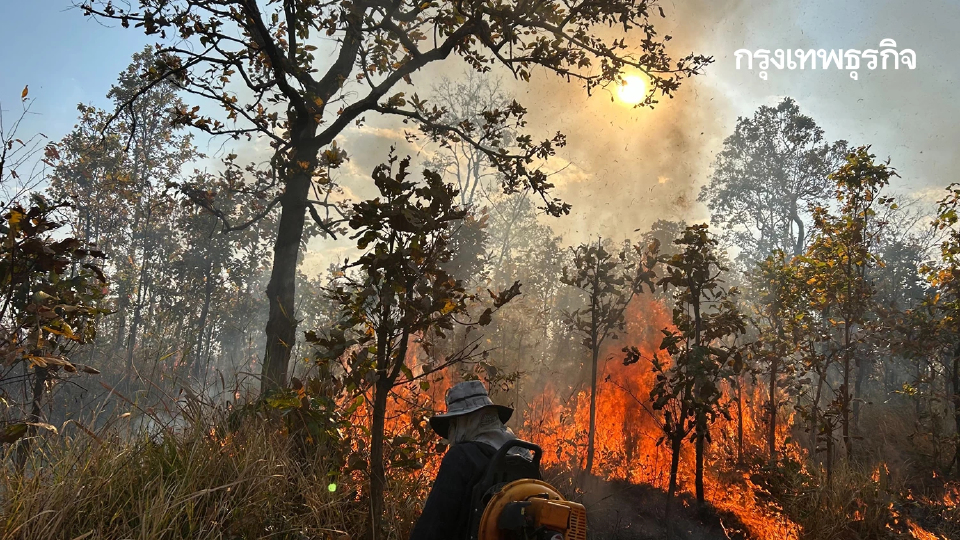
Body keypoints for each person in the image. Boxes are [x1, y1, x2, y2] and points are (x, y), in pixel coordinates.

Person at [409, 380, 519, 540]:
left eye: (453, 424)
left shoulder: (461, 457)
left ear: (463, 421)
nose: (452, 431)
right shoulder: (523, 454)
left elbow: (433, 525)